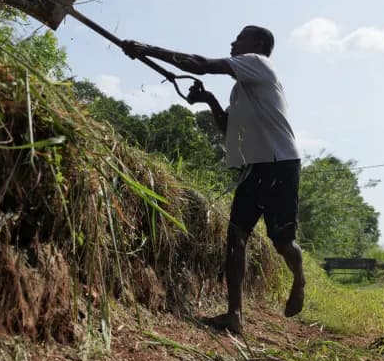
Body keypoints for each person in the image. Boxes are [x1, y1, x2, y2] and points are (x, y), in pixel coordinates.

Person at [121, 25, 304, 334]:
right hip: (253, 169)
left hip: (279, 164)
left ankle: (299, 278)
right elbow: (227, 127)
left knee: (282, 241)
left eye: (241, 37)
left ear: (258, 44)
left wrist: (146, 48)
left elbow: (200, 64)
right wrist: (208, 100)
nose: (233, 41)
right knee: (236, 236)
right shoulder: (243, 86)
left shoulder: (258, 64)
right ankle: (234, 314)